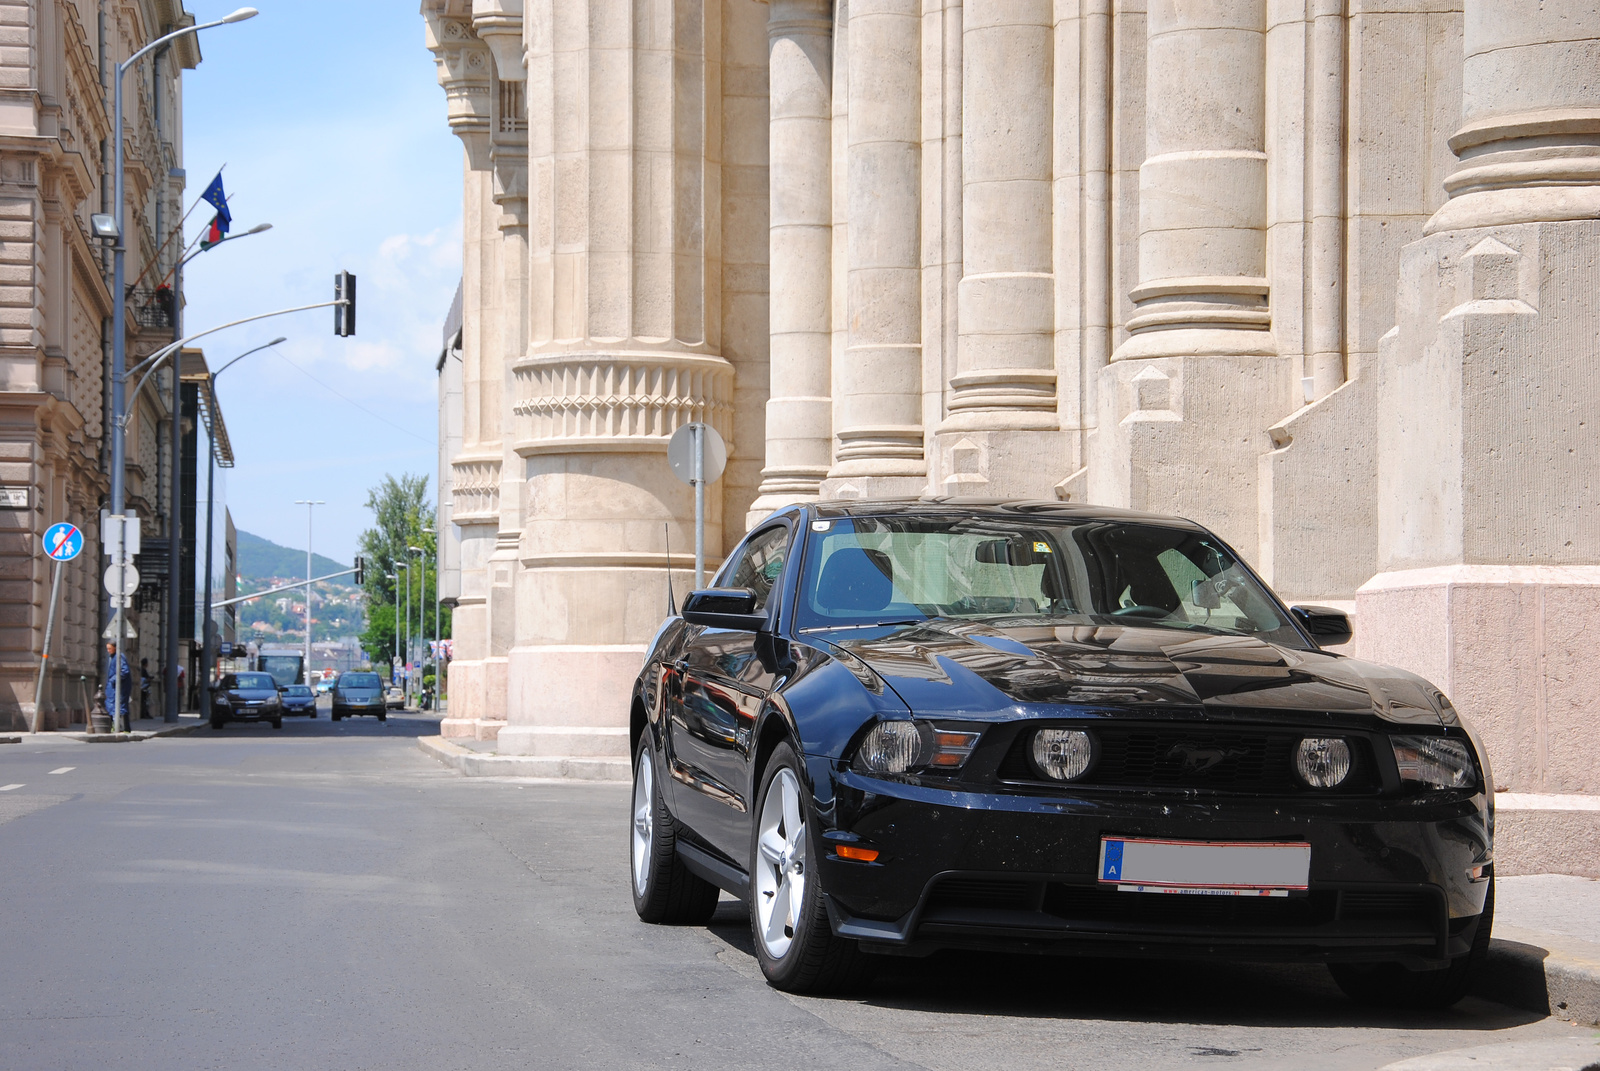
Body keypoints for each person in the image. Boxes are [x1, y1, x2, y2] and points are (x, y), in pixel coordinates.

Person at [104, 642, 132, 732]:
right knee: (112, 706)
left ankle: (124, 728)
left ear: (115, 648)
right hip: (114, 687)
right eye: (107, 648)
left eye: (110, 648)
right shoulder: (114, 657)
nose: (108, 651)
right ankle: (116, 727)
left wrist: (113, 680)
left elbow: (124, 671)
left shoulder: (119, 656)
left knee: (120, 706)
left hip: (119, 687)